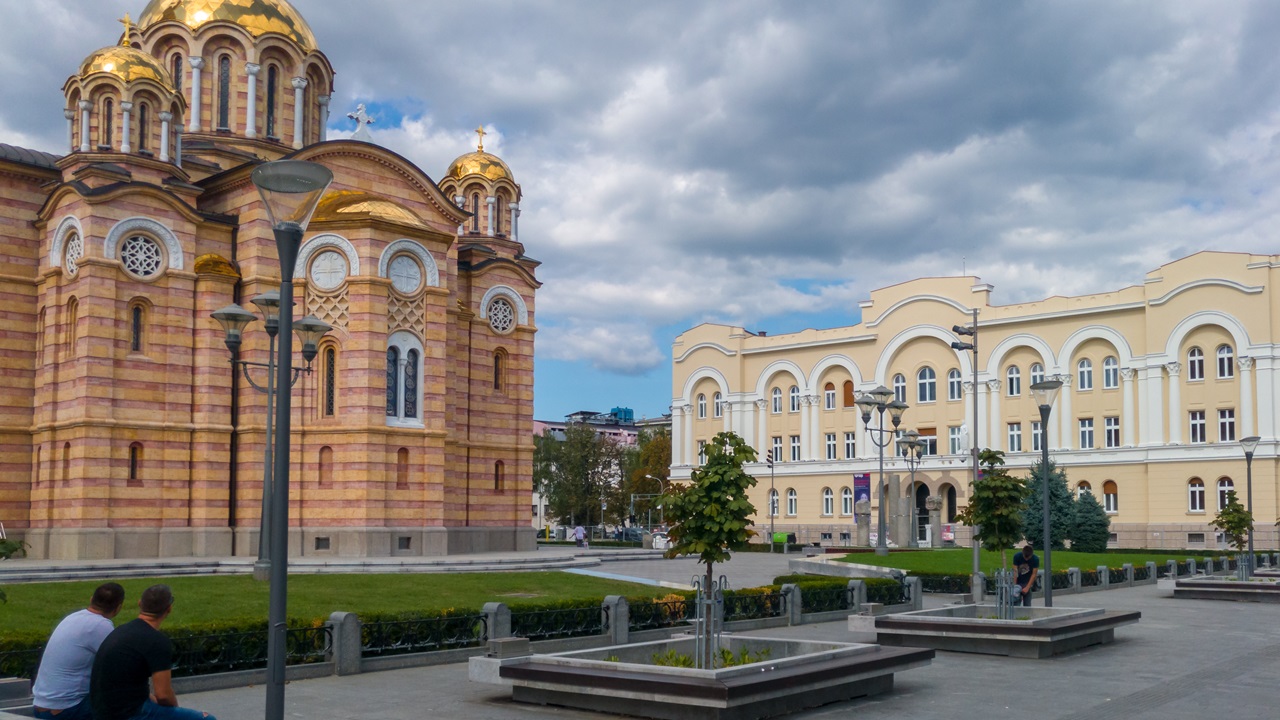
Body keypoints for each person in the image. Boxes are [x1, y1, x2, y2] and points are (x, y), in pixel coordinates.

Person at [89, 585, 216, 720]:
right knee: (207, 719)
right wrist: (174, 712)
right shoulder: (157, 641)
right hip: (129, 713)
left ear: (140, 604)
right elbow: (163, 694)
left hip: (102, 710)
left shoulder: (121, 630)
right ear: (169, 609)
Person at [31, 582, 125, 720]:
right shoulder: (101, 626)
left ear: (91, 599)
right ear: (118, 608)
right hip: (68, 708)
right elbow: (121, 665)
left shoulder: (72, 618)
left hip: (40, 704)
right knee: (131, 706)